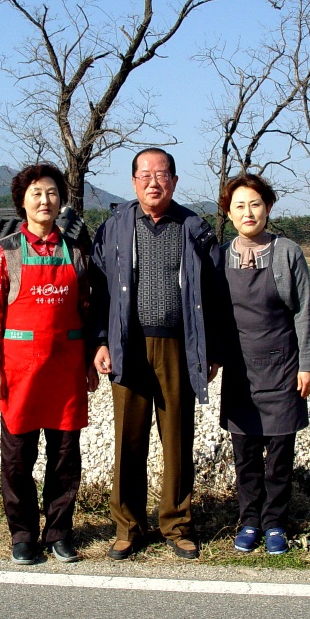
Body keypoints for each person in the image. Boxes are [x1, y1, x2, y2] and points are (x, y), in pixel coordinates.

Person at [90, 148, 223, 560]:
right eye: (144, 174)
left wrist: (213, 348)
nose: (153, 181)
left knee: (177, 438)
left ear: (174, 182)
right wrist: (100, 340)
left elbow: (215, 293)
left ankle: (177, 524)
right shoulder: (114, 228)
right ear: (133, 182)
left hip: (179, 346)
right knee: (128, 439)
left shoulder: (194, 228)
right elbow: (99, 288)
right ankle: (128, 526)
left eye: (162, 174)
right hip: (126, 343)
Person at [0, 164, 98, 565]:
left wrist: (90, 361)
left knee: (65, 457)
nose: (45, 200)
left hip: (66, 368)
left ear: (60, 200)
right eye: (36, 193)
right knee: (17, 458)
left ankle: (59, 532)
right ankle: (23, 534)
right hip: (19, 372)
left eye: (51, 193)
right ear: (22, 201)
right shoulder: (7, 251)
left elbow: (87, 310)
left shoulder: (76, 251)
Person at [216, 173, 310, 555]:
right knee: (244, 454)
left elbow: (304, 313)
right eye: (239, 206)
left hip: (283, 366)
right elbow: (213, 315)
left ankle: (275, 523)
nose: (248, 212)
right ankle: (249, 521)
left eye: (255, 204)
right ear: (228, 212)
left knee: (278, 455)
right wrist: (210, 359)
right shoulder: (220, 256)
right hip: (239, 369)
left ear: (268, 207)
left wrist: (307, 364)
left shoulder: (288, 252)